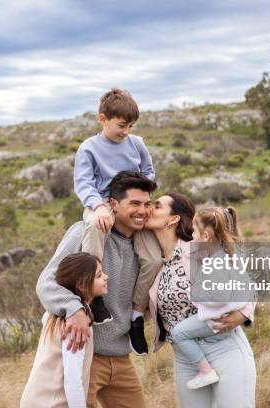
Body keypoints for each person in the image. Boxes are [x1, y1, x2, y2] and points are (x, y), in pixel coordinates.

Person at [37, 171, 157, 408]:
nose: (142, 211)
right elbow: (45, 283)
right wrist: (74, 309)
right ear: (112, 204)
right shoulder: (84, 231)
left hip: (121, 358)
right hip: (84, 354)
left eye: (146, 204)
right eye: (134, 203)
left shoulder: (146, 248)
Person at [147, 194, 257, 408]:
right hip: (186, 358)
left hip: (224, 348)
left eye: (157, 205)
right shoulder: (152, 260)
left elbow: (245, 285)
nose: (149, 208)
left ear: (173, 219)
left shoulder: (197, 250)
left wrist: (243, 314)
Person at [74, 88, 161, 355]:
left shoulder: (137, 144)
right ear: (103, 119)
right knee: (92, 226)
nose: (126, 131)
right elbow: (83, 184)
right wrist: (100, 206)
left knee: (154, 257)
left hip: (133, 203)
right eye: (121, 125)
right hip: (102, 204)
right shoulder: (89, 148)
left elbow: (148, 172)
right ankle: (94, 295)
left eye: (130, 126)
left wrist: (142, 196)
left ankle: (136, 316)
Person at [170, 206, 255, 390]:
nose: (191, 235)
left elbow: (219, 296)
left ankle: (205, 370)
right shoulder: (227, 255)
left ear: (206, 237)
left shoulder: (215, 262)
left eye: (194, 232)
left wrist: (197, 294)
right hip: (221, 317)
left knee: (179, 333)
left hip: (216, 319)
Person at [20, 252, 108, 408]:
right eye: (99, 275)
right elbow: (73, 380)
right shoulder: (77, 326)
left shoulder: (52, 314)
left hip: (33, 400)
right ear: (82, 284)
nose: (106, 277)